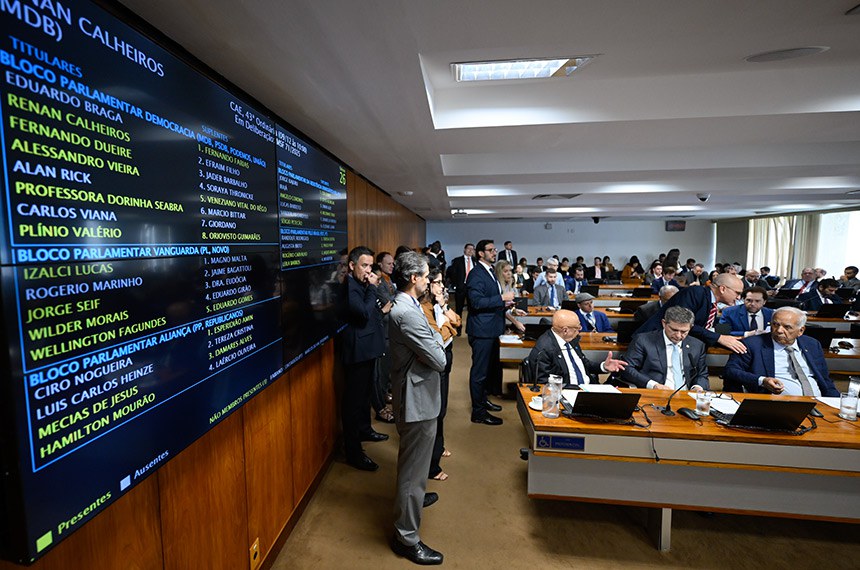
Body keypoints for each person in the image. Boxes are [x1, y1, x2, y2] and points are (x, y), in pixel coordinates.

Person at [388, 251, 447, 565]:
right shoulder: (407, 312)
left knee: (416, 466)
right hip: (415, 400)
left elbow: (435, 344)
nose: (429, 281)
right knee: (412, 470)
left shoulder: (411, 306)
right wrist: (437, 336)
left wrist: (435, 337)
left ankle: (414, 500)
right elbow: (440, 359)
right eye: (425, 276)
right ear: (413, 278)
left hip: (419, 393)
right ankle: (406, 538)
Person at [340, 246, 388, 471]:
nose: (368, 271)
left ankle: (365, 429)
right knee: (353, 402)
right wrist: (372, 288)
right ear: (352, 265)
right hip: (357, 352)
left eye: (371, 266)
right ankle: (354, 452)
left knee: (366, 395)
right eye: (364, 266)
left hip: (369, 348)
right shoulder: (351, 286)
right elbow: (364, 312)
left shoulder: (361, 284)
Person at [723, 307, 839, 396]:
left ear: (801, 331)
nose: (779, 330)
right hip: (775, 404)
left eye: (787, 327)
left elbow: (825, 379)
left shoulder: (812, 344)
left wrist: (836, 402)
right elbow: (731, 371)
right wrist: (762, 381)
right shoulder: (752, 344)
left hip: (819, 402)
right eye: (775, 324)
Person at [466, 239, 514, 425]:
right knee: (479, 372)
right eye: (491, 250)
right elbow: (476, 303)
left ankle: (483, 401)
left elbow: (490, 299)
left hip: (492, 329)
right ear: (480, 253)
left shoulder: (490, 272)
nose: (495, 252)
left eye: (495, 250)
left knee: (488, 371)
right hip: (481, 330)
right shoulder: (476, 274)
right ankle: (478, 412)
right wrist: (501, 297)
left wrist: (505, 304)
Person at [637, 273, 748, 353]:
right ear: (723, 289)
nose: (738, 297)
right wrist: (719, 338)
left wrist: (740, 334)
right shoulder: (696, 293)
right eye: (737, 293)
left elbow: (706, 326)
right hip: (652, 344)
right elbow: (683, 324)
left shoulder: (711, 300)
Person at [421, 268, 460, 482]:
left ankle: (440, 446)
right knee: (437, 409)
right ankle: (433, 466)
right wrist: (448, 325)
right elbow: (438, 336)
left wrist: (445, 310)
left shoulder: (438, 304)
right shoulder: (424, 308)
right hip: (438, 356)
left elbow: (458, 323)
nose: (442, 286)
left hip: (448, 353)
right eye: (437, 282)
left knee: (442, 408)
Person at [527, 310, 625, 386]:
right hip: (567, 393)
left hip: (589, 387)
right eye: (577, 328)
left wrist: (603, 366)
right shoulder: (544, 350)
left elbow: (583, 363)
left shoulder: (572, 339)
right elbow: (544, 383)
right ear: (565, 330)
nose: (579, 331)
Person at [620, 306, 709, 391]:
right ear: (664, 323)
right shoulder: (643, 340)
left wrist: (698, 387)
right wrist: (653, 385)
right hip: (655, 394)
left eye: (684, 331)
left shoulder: (697, 345)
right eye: (674, 330)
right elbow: (627, 369)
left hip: (687, 396)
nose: (678, 335)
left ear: (691, 327)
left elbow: (701, 374)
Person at [372, 251, 396, 424]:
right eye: (388, 263)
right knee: (380, 373)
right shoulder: (379, 283)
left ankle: (385, 396)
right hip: (383, 332)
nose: (392, 266)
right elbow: (389, 303)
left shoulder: (388, 280)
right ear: (379, 264)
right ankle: (380, 407)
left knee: (386, 370)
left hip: (389, 331)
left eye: (393, 263)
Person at [495, 260, 526, 333]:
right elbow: (501, 308)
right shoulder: (496, 287)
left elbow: (507, 306)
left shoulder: (508, 286)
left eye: (510, 271)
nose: (509, 274)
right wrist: (515, 322)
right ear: (499, 273)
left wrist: (514, 310)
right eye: (506, 271)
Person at [445, 243, 474, 317]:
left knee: (472, 308)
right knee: (459, 308)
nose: (470, 250)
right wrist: (455, 285)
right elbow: (453, 273)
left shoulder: (475, 261)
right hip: (461, 287)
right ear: (464, 249)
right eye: (469, 249)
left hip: (472, 287)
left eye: (472, 249)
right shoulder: (457, 260)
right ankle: (458, 326)